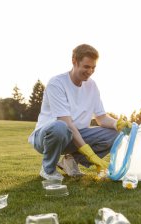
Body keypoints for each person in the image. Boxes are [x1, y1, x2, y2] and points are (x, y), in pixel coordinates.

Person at [28, 44, 131, 180]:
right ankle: (48, 169)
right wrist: (90, 154)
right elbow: (67, 123)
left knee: (115, 133)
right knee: (60, 127)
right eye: (86, 67)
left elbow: (101, 118)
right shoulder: (56, 84)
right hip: (47, 136)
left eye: (93, 67)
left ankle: (70, 161)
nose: (90, 71)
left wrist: (119, 124)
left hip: (73, 136)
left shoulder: (92, 86)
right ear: (74, 61)